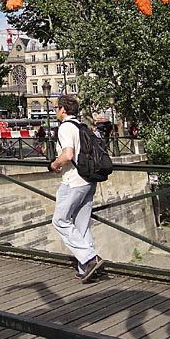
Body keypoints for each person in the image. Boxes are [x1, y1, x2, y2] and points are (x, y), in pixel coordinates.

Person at [50, 95, 104, 283]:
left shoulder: (65, 127)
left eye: (57, 108)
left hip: (73, 181)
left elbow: (68, 154)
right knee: (82, 225)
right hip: (89, 180)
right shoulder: (82, 126)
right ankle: (86, 269)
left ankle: (89, 259)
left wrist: (55, 165)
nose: (56, 111)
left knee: (60, 221)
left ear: (63, 110)